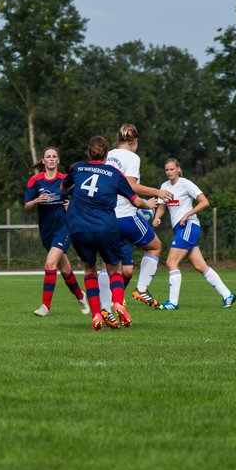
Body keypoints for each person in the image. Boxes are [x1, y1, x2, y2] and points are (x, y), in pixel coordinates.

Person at [64, 135, 159, 331]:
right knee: (113, 269)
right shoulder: (115, 174)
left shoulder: (77, 168)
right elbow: (135, 200)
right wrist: (148, 203)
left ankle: (97, 314)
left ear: (88, 153)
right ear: (107, 155)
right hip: (106, 227)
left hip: (79, 227)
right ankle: (117, 303)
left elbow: (63, 187)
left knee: (89, 270)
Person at [150, 157, 236, 310]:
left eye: (171, 169)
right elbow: (162, 206)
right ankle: (227, 294)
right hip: (180, 229)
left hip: (189, 225)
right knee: (199, 265)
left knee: (171, 262)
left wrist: (187, 215)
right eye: (166, 169)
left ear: (178, 169)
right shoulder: (164, 186)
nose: (169, 172)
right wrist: (157, 218)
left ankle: (173, 302)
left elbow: (204, 202)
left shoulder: (186, 184)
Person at [105, 123, 172, 308]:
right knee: (155, 247)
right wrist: (157, 192)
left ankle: (106, 307)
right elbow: (131, 185)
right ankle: (141, 289)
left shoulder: (107, 155)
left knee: (110, 265)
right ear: (135, 141)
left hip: (105, 217)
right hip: (125, 215)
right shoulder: (132, 157)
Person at [24, 147, 90, 317]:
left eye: (54, 156)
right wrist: (37, 200)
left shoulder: (65, 180)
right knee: (66, 271)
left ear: (58, 160)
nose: (51, 159)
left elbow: (81, 198)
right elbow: (26, 205)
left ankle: (45, 306)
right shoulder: (35, 181)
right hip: (46, 231)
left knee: (50, 263)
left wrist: (72, 206)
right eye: (48, 157)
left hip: (64, 228)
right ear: (43, 160)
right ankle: (81, 296)